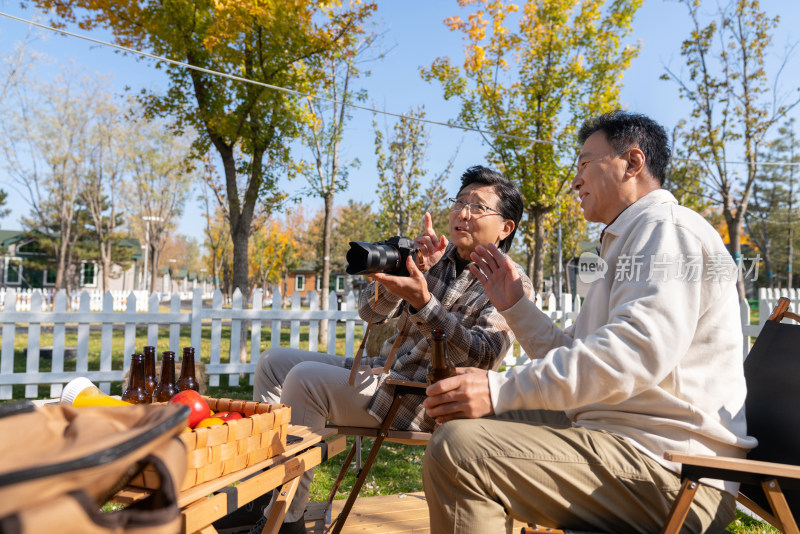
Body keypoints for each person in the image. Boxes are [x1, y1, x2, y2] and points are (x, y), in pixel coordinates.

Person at [422, 111, 757, 534]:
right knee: (464, 428)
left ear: (632, 163)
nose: (575, 181)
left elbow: (633, 354)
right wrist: (516, 307)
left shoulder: (668, 231)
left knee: (460, 451)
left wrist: (499, 387)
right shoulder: (626, 240)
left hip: (675, 471)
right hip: (623, 444)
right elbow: (581, 356)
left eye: (585, 164)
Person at [234, 166, 533, 534]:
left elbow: (483, 355)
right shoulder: (435, 259)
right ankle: (264, 494)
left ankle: (286, 519)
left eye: (478, 206)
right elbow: (369, 313)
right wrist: (410, 271)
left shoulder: (510, 280)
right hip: (382, 372)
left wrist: (425, 304)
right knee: (272, 362)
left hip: (419, 398)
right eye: (459, 202)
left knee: (304, 379)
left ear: (506, 228)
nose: (463, 213)